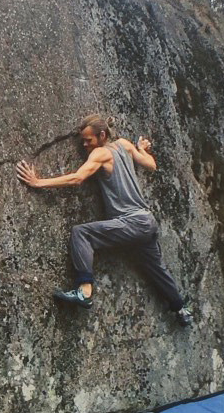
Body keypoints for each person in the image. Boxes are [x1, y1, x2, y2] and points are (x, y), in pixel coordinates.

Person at [15, 114, 194, 327]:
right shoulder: (124, 145)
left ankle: (84, 291)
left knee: (82, 233)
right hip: (146, 221)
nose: (84, 144)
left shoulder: (101, 153)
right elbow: (151, 165)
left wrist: (38, 182)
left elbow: (78, 178)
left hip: (131, 222)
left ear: (101, 135)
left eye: (88, 140)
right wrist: (141, 149)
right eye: (83, 140)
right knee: (156, 268)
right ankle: (180, 309)